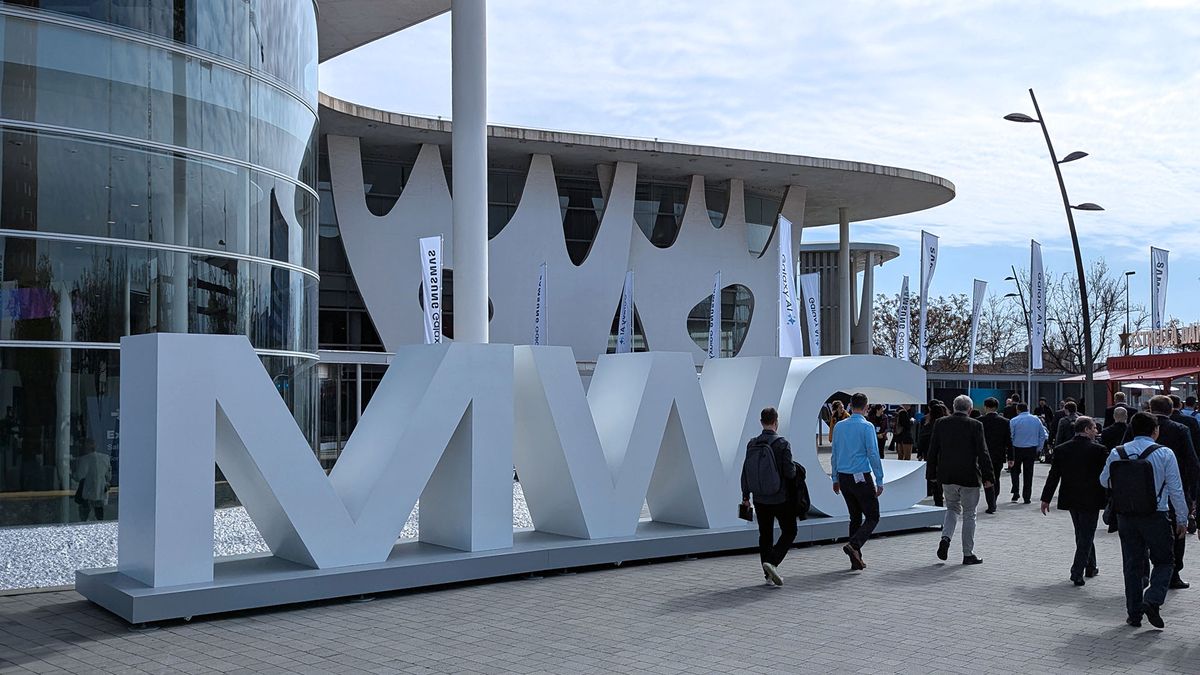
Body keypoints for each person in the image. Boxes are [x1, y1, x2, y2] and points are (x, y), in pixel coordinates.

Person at [1101, 412, 1189, 628]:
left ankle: (1134, 614)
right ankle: (1152, 599)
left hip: (1126, 516)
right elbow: (1176, 489)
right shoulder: (1165, 453)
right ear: (1155, 430)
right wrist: (1182, 518)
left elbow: (1104, 481)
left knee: (1132, 565)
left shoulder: (1117, 452)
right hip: (1156, 515)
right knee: (1165, 561)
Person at [1124, 395, 1200, 590]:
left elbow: (1121, 454)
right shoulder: (1182, 428)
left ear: (1150, 408)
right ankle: (1173, 574)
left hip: (1138, 489)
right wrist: (1193, 493)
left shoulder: (1137, 425)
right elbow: (1192, 461)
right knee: (1177, 532)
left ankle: (1143, 575)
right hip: (1175, 487)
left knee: (1141, 535)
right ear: (1172, 409)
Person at [1040, 416, 1109, 585]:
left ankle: (1091, 566)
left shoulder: (1062, 449)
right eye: (1093, 428)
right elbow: (1106, 476)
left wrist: (1046, 498)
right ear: (1086, 429)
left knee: (1082, 532)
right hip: (1092, 497)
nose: (1096, 431)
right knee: (1086, 533)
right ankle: (1077, 570)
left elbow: (1053, 475)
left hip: (1070, 496)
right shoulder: (1099, 450)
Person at [927, 395, 993, 565]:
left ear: (953, 407)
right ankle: (967, 553)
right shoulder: (976, 425)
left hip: (947, 475)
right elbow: (983, 452)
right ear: (970, 410)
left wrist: (931, 474)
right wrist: (988, 477)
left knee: (952, 508)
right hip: (969, 475)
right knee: (970, 514)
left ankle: (946, 538)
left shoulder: (941, 423)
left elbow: (933, 449)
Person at [740, 406, 797, 586]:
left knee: (765, 534)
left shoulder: (752, 443)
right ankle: (772, 562)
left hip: (759, 497)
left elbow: (745, 471)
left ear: (761, 422)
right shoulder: (782, 444)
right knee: (790, 530)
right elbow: (789, 473)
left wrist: (745, 495)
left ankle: (768, 574)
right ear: (776, 422)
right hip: (779, 497)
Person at [831, 392, 884, 571]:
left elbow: (835, 454)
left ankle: (856, 558)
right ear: (866, 407)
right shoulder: (867, 426)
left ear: (850, 406)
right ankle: (854, 545)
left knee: (854, 516)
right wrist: (880, 478)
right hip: (861, 475)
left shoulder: (839, 426)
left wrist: (835, 477)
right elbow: (873, 453)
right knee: (873, 515)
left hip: (844, 476)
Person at [1009, 402, 1049, 504]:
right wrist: (1039, 448)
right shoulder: (1036, 420)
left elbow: (1011, 436)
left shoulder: (1014, 421)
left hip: (1017, 448)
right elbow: (1043, 435)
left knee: (1015, 471)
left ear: (1018, 410)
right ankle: (1027, 496)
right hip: (1031, 449)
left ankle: (1015, 491)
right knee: (1028, 473)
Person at [980, 398, 1011, 514]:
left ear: (985, 407)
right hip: (999, 454)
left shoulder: (979, 421)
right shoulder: (1005, 421)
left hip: (983, 455)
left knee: (986, 478)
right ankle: (994, 500)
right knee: (996, 478)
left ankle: (991, 502)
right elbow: (1009, 440)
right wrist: (1011, 457)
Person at [73, 439, 112, 522]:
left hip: (87, 494)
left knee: (84, 518)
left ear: (86, 447)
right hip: (100, 493)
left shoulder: (84, 459)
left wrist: (71, 474)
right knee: (99, 517)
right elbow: (109, 476)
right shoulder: (106, 458)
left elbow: (79, 476)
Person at [918, 403, 948, 506]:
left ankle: (937, 499)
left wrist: (920, 452)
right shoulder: (946, 424)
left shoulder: (928, 425)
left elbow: (921, 439)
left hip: (930, 453)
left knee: (933, 476)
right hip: (944, 454)